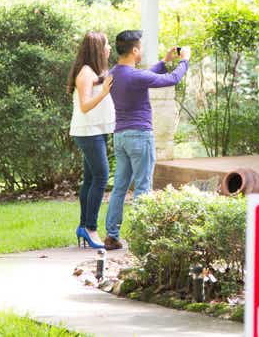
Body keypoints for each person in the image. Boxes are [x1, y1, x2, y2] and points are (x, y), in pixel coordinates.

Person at [103, 30, 190, 250]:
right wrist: (185, 61)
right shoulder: (135, 76)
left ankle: (112, 235)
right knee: (143, 186)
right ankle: (142, 237)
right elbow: (172, 79)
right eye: (140, 47)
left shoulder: (115, 73)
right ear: (134, 51)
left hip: (120, 136)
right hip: (140, 136)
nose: (141, 50)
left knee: (120, 188)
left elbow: (144, 78)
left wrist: (164, 61)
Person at [67, 31, 115, 249]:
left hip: (95, 130)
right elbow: (85, 106)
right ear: (98, 48)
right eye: (106, 45)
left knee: (90, 179)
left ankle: (83, 226)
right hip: (88, 131)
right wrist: (104, 92)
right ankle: (90, 228)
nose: (109, 49)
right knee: (101, 176)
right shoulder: (85, 73)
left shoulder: (95, 71)